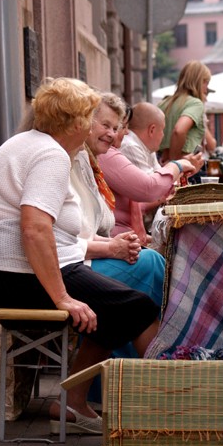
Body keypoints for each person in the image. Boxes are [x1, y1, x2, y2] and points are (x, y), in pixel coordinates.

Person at [0, 77, 161, 433]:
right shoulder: (51, 154)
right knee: (140, 308)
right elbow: (34, 229)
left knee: (118, 309)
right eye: (90, 118)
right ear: (74, 123)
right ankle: (166, 406)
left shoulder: (29, 144)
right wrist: (63, 298)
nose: (92, 127)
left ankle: (75, 402)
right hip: (10, 278)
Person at [71, 93, 167, 307]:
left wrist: (115, 244)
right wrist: (112, 247)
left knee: (154, 262)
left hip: (82, 256)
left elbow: (83, 231)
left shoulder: (84, 159)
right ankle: (167, 334)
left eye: (116, 128)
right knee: (152, 265)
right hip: (69, 266)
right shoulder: (63, 157)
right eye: (107, 125)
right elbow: (147, 189)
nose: (114, 135)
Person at [99, 104, 200, 244]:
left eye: (115, 128)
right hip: (115, 238)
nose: (126, 133)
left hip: (119, 237)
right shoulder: (108, 153)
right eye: (107, 126)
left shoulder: (107, 151)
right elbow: (150, 189)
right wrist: (177, 165)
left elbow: (152, 191)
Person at [158, 60, 213, 163]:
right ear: (199, 82)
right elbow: (179, 130)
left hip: (161, 162)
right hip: (186, 166)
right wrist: (175, 163)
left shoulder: (163, 103)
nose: (207, 88)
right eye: (206, 82)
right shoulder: (195, 103)